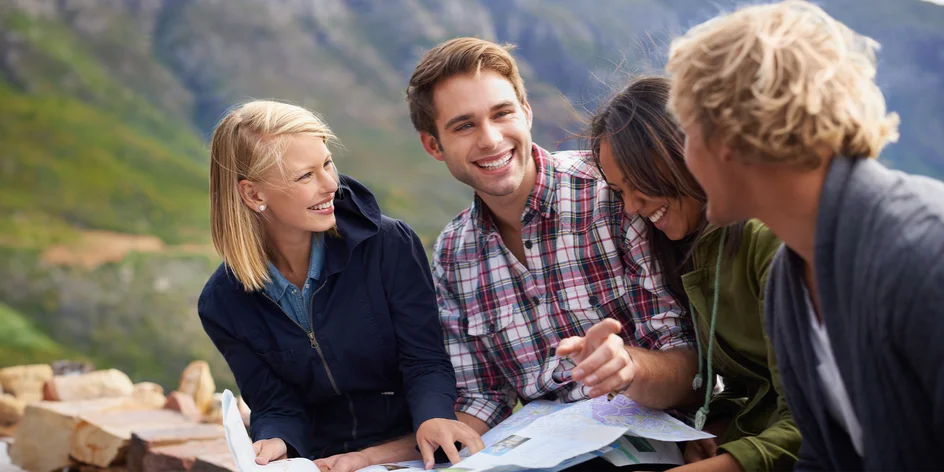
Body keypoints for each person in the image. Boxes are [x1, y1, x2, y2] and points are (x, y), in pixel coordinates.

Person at [664, 1, 944, 469]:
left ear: (730, 136)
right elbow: (822, 455)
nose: (684, 157)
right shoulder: (788, 283)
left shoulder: (923, 257)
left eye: (687, 131)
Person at [405, 37, 699, 438]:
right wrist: (375, 458)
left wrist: (628, 366)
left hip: (655, 443)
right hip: (545, 453)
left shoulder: (612, 194)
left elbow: (689, 361)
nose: (490, 139)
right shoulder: (453, 253)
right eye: (465, 125)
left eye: (502, 113)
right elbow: (482, 398)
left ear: (525, 113)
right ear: (432, 145)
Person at [198, 100, 483, 472]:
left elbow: (424, 359)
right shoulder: (222, 303)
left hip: (411, 447)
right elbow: (275, 404)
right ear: (253, 195)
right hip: (325, 461)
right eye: (305, 176)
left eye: (327, 164)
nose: (331, 184)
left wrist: (432, 415)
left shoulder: (389, 244)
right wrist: (274, 440)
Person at [587, 76, 800, 472]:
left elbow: (818, 418)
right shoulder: (695, 245)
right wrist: (718, 423)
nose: (631, 208)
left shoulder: (773, 239)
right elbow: (753, 387)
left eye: (638, 186)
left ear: (681, 153)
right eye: (619, 192)